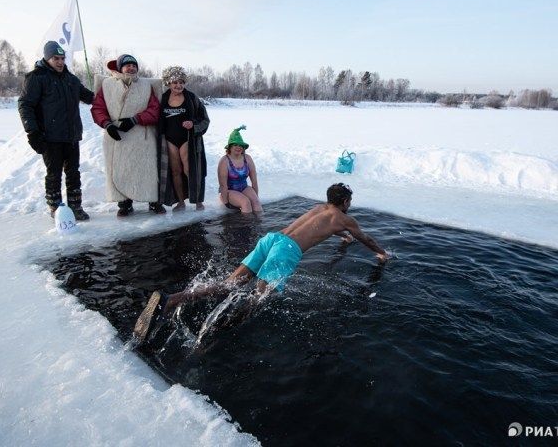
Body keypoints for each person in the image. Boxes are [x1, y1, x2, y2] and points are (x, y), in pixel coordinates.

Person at [134, 183, 389, 344]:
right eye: (349, 202)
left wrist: (341, 236)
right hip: (287, 252)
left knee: (228, 285)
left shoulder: (319, 208)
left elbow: (322, 227)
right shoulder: (345, 218)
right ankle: (214, 336)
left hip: (272, 239)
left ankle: (173, 299)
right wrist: (382, 254)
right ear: (345, 202)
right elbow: (365, 237)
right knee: (258, 300)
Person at [18, 41, 94, 220]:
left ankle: (75, 207)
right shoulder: (36, 78)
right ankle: (57, 209)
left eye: (62, 58)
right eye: (55, 59)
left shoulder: (71, 79)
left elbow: (90, 97)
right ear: (47, 58)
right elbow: (25, 105)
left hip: (71, 135)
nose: (60, 62)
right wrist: (33, 133)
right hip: (50, 137)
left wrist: (108, 90)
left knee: (73, 172)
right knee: (54, 174)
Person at [91, 54, 166, 216]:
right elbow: (98, 108)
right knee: (120, 169)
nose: (131, 68)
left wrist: (135, 119)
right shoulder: (107, 85)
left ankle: (153, 201)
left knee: (147, 170)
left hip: (142, 136)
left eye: (134, 65)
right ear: (119, 68)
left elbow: (155, 110)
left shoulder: (146, 86)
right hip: (117, 136)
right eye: (127, 65)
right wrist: (107, 124)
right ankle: (124, 203)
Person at [157, 66, 210, 211]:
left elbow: (205, 119)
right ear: (168, 83)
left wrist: (193, 124)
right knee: (175, 171)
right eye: (175, 82)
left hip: (188, 139)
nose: (178, 85)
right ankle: (180, 201)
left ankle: (198, 201)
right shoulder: (162, 98)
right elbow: (156, 119)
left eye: (181, 82)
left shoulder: (192, 98)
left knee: (190, 170)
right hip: (169, 139)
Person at [217, 125, 262, 213]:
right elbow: (223, 185)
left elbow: (254, 181)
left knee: (256, 203)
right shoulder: (224, 161)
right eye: (235, 145)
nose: (238, 147)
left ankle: (259, 225)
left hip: (244, 187)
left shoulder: (247, 158)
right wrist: (227, 203)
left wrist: (255, 198)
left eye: (240, 145)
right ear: (230, 147)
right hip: (228, 191)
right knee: (245, 203)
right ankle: (246, 226)